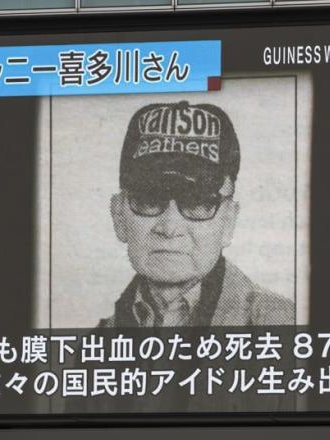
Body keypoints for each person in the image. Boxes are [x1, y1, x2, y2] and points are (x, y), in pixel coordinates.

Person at [103, 99, 294, 328]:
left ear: (229, 222)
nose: (170, 227)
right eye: (149, 200)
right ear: (119, 216)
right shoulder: (96, 343)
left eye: (197, 203)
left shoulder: (286, 325)